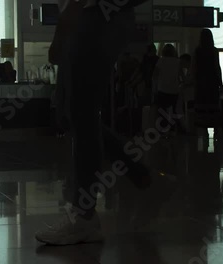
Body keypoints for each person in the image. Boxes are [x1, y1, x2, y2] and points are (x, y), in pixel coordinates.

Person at [36, 0, 158, 246]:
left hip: (96, 15)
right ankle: (142, 176)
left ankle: (84, 216)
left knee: (81, 111)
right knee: (72, 114)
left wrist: (64, 27)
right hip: (95, 16)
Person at [191, 29, 223, 137]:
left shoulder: (197, 51)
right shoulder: (214, 50)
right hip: (212, 83)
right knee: (213, 107)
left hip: (200, 83)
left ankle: (202, 130)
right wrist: (220, 83)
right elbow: (217, 67)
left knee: (201, 107)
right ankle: (215, 130)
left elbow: (194, 67)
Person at [153, 44, 181, 136]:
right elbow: (181, 77)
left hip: (162, 90)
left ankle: (163, 131)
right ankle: (174, 130)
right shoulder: (178, 62)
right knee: (174, 111)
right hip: (174, 90)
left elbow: (155, 76)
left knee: (162, 111)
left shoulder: (161, 61)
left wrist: (155, 88)